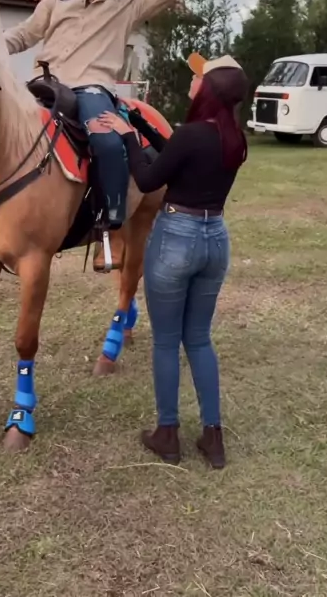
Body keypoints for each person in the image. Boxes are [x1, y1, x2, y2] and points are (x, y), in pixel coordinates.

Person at [98, 53, 249, 469]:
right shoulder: (234, 138)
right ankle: (213, 436)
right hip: (215, 239)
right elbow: (177, 157)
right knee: (198, 338)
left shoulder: (191, 135)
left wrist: (128, 139)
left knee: (166, 341)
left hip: (177, 240)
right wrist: (141, 125)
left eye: (199, 78)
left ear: (209, 89)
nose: (192, 82)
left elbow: (149, 178)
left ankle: (167, 433)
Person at [3, 0, 186, 267]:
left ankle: (111, 229)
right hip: (43, 84)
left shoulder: (131, 3)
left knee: (107, 141)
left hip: (91, 89)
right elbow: (26, 33)